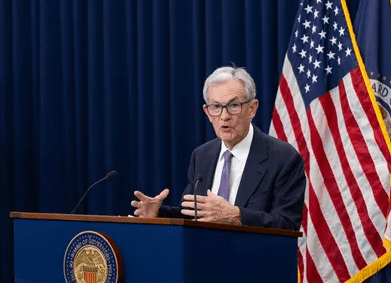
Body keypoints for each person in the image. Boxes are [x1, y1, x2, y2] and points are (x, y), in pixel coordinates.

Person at [131, 66, 306, 231]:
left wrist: (237, 216)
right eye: (216, 107)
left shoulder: (283, 158)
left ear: (252, 109)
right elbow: (193, 216)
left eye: (234, 106)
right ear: (207, 112)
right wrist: (159, 213)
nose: (224, 116)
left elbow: (287, 224)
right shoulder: (202, 155)